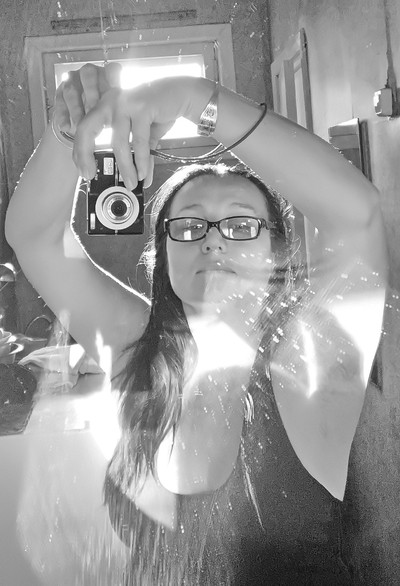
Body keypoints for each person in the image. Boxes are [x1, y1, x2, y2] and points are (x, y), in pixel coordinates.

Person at [5, 64, 387, 584]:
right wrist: (67, 131)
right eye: (188, 226)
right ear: (162, 255)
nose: (213, 240)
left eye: (241, 223)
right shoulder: (137, 348)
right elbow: (35, 238)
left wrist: (194, 99)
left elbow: (357, 214)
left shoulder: (312, 364)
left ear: (276, 250)